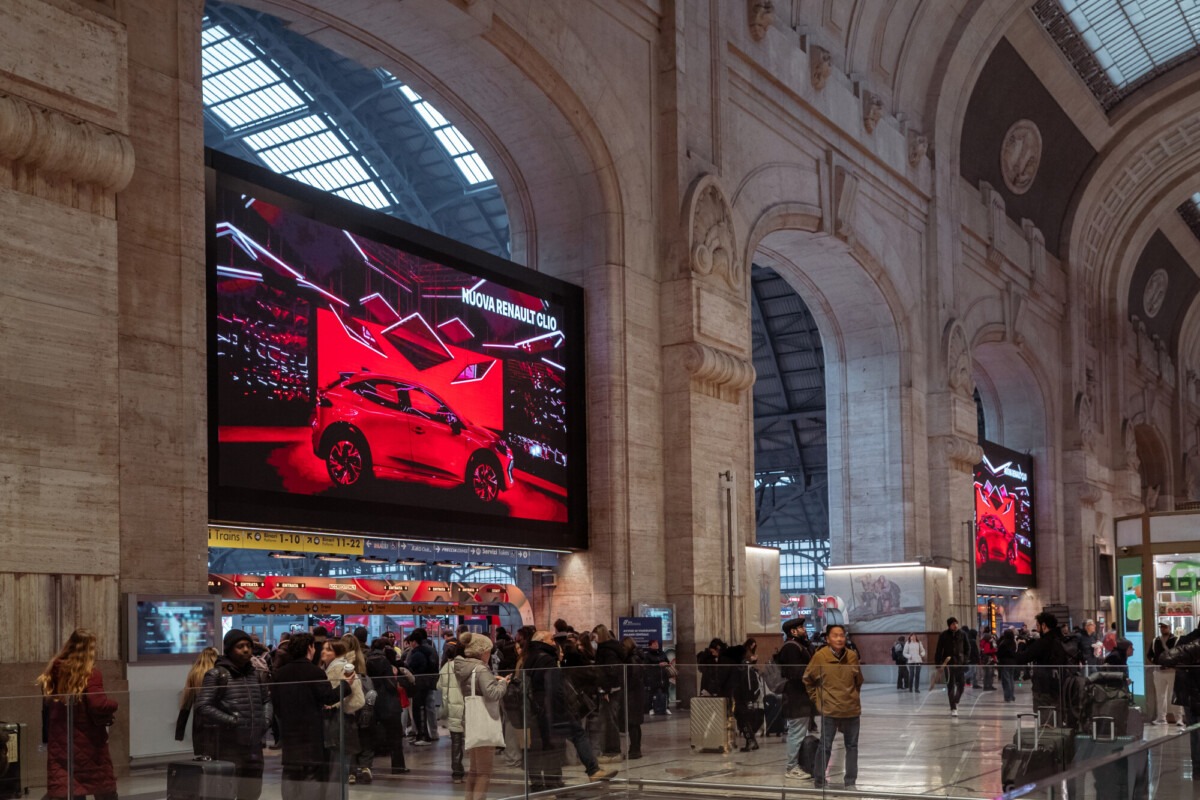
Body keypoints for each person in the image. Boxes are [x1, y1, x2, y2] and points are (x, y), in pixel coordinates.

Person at [36, 629, 118, 800]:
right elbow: (98, 704)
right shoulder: (91, 674)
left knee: (71, 790)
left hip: (61, 741)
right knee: (104, 789)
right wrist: (114, 704)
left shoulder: (53, 670)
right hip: (89, 742)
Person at [193, 629, 272, 800]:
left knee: (251, 793)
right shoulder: (217, 674)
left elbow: (266, 700)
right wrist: (232, 720)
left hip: (254, 746)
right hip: (228, 746)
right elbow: (202, 706)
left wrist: (265, 720)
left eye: (248, 646)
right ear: (229, 649)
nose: (246, 650)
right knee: (225, 793)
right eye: (240, 646)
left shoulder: (255, 674)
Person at [272, 633, 348, 800]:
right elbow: (328, 697)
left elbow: (276, 705)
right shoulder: (315, 672)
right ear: (309, 648)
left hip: (289, 731)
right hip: (311, 731)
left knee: (290, 771)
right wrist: (346, 685)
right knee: (311, 773)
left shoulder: (280, 674)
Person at [803, 624, 863, 789]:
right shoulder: (820, 656)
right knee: (825, 746)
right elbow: (808, 679)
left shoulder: (852, 656)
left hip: (851, 709)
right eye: (835, 635)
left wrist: (853, 696)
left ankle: (850, 781)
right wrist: (818, 700)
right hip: (830, 710)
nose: (839, 639)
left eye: (842, 635)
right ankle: (820, 780)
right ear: (827, 639)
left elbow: (858, 681)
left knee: (852, 746)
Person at [453, 634, 511, 800]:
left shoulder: (465, 668)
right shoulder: (481, 669)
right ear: (483, 651)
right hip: (483, 721)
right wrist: (503, 683)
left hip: (471, 720)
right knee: (484, 772)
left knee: (474, 770)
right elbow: (492, 694)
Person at [321, 639, 365, 785]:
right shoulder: (329, 668)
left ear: (337, 653)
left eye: (329, 649)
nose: (323, 652)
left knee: (337, 768)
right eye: (323, 648)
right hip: (336, 721)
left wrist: (336, 706)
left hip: (339, 721)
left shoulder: (339, 668)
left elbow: (357, 698)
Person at [778, 618, 816, 779]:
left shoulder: (800, 645)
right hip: (796, 696)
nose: (804, 630)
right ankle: (792, 767)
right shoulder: (791, 647)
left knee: (800, 731)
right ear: (793, 631)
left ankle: (797, 764)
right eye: (801, 628)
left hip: (801, 696)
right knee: (796, 732)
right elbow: (795, 672)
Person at [367, 637, 411, 775]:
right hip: (389, 702)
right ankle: (398, 767)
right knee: (395, 737)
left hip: (372, 701)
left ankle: (366, 767)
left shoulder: (367, 660)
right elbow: (390, 684)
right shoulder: (386, 661)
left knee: (369, 736)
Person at [1016, 612, 1071, 720]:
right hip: (1063, 686)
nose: (1037, 629)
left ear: (1044, 625)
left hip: (1044, 687)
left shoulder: (1043, 642)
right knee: (1058, 717)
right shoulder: (1063, 640)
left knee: (1045, 720)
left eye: (1037, 626)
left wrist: (1021, 645)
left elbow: (1022, 658)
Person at [439, 632, 470, 783]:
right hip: (468, 706)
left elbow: (439, 686)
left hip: (452, 707)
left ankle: (457, 773)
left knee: (456, 742)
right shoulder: (468, 666)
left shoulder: (445, 667)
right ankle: (477, 770)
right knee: (473, 741)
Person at [175, 646, 219, 753]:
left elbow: (186, 703)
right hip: (218, 718)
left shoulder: (195, 673)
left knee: (203, 754)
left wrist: (179, 732)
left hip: (200, 722)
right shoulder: (219, 673)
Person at [407, 628, 440, 744]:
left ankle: (421, 734)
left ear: (414, 641)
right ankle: (433, 733)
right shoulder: (432, 649)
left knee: (419, 708)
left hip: (420, 683)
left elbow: (410, 667)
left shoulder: (416, 652)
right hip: (430, 682)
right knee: (430, 707)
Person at [728, 642, 761, 752]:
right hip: (747, 696)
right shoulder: (746, 665)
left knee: (742, 719)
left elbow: (739, 682)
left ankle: (750, 741)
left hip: (742, 696)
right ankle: (752, 741)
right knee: (745, 719)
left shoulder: (740, 666)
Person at [1148, 621, 1182, 727]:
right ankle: (1161, 718)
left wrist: (1172, 664)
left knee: (1174, 695)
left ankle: (1179, 719)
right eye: (1161, 627)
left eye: (1165, 627)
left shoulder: (1176, 640)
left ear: (1169, 627)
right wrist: (1157, 662)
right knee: (1160, 696)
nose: (1163, 629)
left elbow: (1180, 654)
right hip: (1159, 671)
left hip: (1172, 671)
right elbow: (1150, 655)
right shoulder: (1155, 640)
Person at [934, 617, 968, 717]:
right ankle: (953, 708)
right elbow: (939, 649)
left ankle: (956, 701)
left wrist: (965, 659)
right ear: (949, 625)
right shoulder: (943, 635)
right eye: (953, 624)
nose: (955, 625)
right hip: (949, 664)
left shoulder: (962, 634)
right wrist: (938, 663)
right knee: (951, 686)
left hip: (960, 663)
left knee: (961, 685)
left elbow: (967, 648)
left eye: (956, 623)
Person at [643, 639, 670, 715]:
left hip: (663, 676)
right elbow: (647, 666)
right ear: (650, 645)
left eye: (657, 643)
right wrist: (658, 664)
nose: (656, 645)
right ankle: (651, 708)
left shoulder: (662, 653)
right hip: (653, 677)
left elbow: (668, 662)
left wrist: (666, 663)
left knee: (666, 692)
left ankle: (666, 707)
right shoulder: (648, 655)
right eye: (654, 644)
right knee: (652, 693)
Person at [996, 629, 1019, 703]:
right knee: (1011, 679)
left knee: (1006, 680)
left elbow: (999, 653)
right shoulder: (1013, 643)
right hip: (1012, 662)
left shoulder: (1003, 643)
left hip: (1005, 663)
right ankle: (1012, 696)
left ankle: (1008, 696)